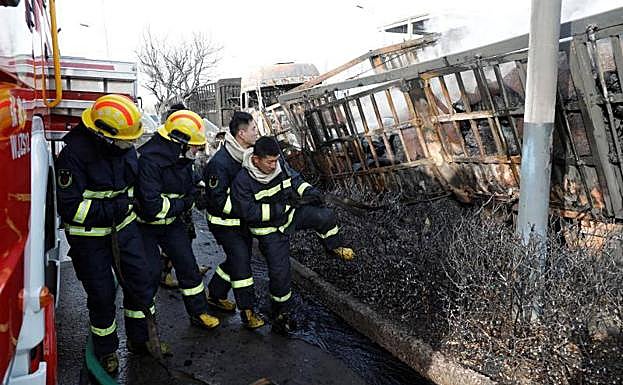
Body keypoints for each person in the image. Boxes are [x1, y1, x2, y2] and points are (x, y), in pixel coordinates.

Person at [56, 94, 163, 373]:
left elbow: (134, 185)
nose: (131, 145)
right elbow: (70, 208)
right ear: (103, 136)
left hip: (124, 228)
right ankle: (106, 351)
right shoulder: (73, 155)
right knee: (102, 295)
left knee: (142, 281)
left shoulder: (123, 147)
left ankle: (140, 341)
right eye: (126, 141)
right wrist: (116, 207)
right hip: (89, 237)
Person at [231, 136, 354, 332]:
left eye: (276, 160)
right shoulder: (243, 181)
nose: (274, 166)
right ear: (255, 160)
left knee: (326, 217)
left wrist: (311, 193)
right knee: (281, 274)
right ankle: (281, 312)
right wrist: (282, 208)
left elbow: (296, 181)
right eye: (269, 162)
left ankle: (333, 247)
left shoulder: (280, 167)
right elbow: (249, 213)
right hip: (270, 232)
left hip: (291, 215)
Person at [135, 109, 220, 330]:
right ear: (179, 142)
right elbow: (153, 207)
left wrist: (198, 190)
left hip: (172, 224)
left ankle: (199, 312)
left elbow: (189, 182)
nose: (197, 150)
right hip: (146, 227)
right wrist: (185, 202)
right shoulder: (149, 162)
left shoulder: (181, 158)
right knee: (149, 275)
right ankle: (144, 329)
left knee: (188, 267)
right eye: (194, 146)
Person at [204, 111, 265, 328]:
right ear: (241, 133)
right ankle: (248, 312)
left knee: (238, 258)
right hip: (224, 224)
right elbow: (217, 201)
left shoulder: (246, 156)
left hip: (241, 221)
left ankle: (215, 293)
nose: (256, 132)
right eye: (253, 129)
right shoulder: (220, 164)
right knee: (241, 262)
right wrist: (247, 210)